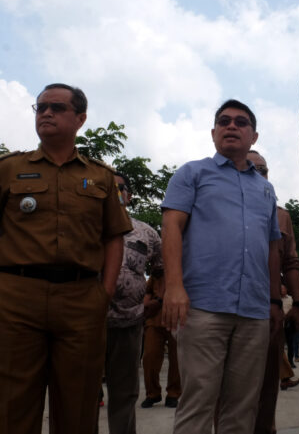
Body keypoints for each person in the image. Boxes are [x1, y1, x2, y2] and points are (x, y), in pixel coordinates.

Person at [0, 83, 132, 434]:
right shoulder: (8, 169)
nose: (46, 113)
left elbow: (113, 237)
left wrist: (105, 293)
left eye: (57, 107)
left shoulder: (100, 176)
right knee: (8, 409)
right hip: (15, 298)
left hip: (81, 300)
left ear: (80, 118)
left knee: (78, 407)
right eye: (40, 108)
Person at [160, 99, 283, 434]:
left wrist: (274, 300)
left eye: (241, 122)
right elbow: (171, 227)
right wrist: (174, 287)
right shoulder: (192, 173)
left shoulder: (265, 189)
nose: (232, 126)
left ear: (253, 136)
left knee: (242, 406)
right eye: (224, 121)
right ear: (213, 132)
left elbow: (272, 248)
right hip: (203, 306)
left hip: (254, 310)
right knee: (198, 401)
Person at [247, 149, 299, 434]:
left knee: (268, 388)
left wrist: (298, 303)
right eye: (252, 168)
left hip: (268, 310)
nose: (258, 174)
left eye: (263, 170)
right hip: (227, 309)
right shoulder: (219, 205)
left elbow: (291, 262)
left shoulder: (281, 216)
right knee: (229, 392)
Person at [104, 171, 164, 432]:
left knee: (125, 391)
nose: (114, 193)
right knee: (80, 391)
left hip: (128, 322)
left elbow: (162, 269)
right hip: (85, 322)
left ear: (129, 196)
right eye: (108, 188)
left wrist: (157, 300)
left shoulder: (146, 232)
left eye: (120, 188)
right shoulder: (83, 226)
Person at [141, 271, 182, 408]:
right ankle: (152, 393)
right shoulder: (155, 272)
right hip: (154, 319)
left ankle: (173, 394)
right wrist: (146, 307)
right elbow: (147, 291)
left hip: (176, 318)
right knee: (149, 356)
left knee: (177, 359)